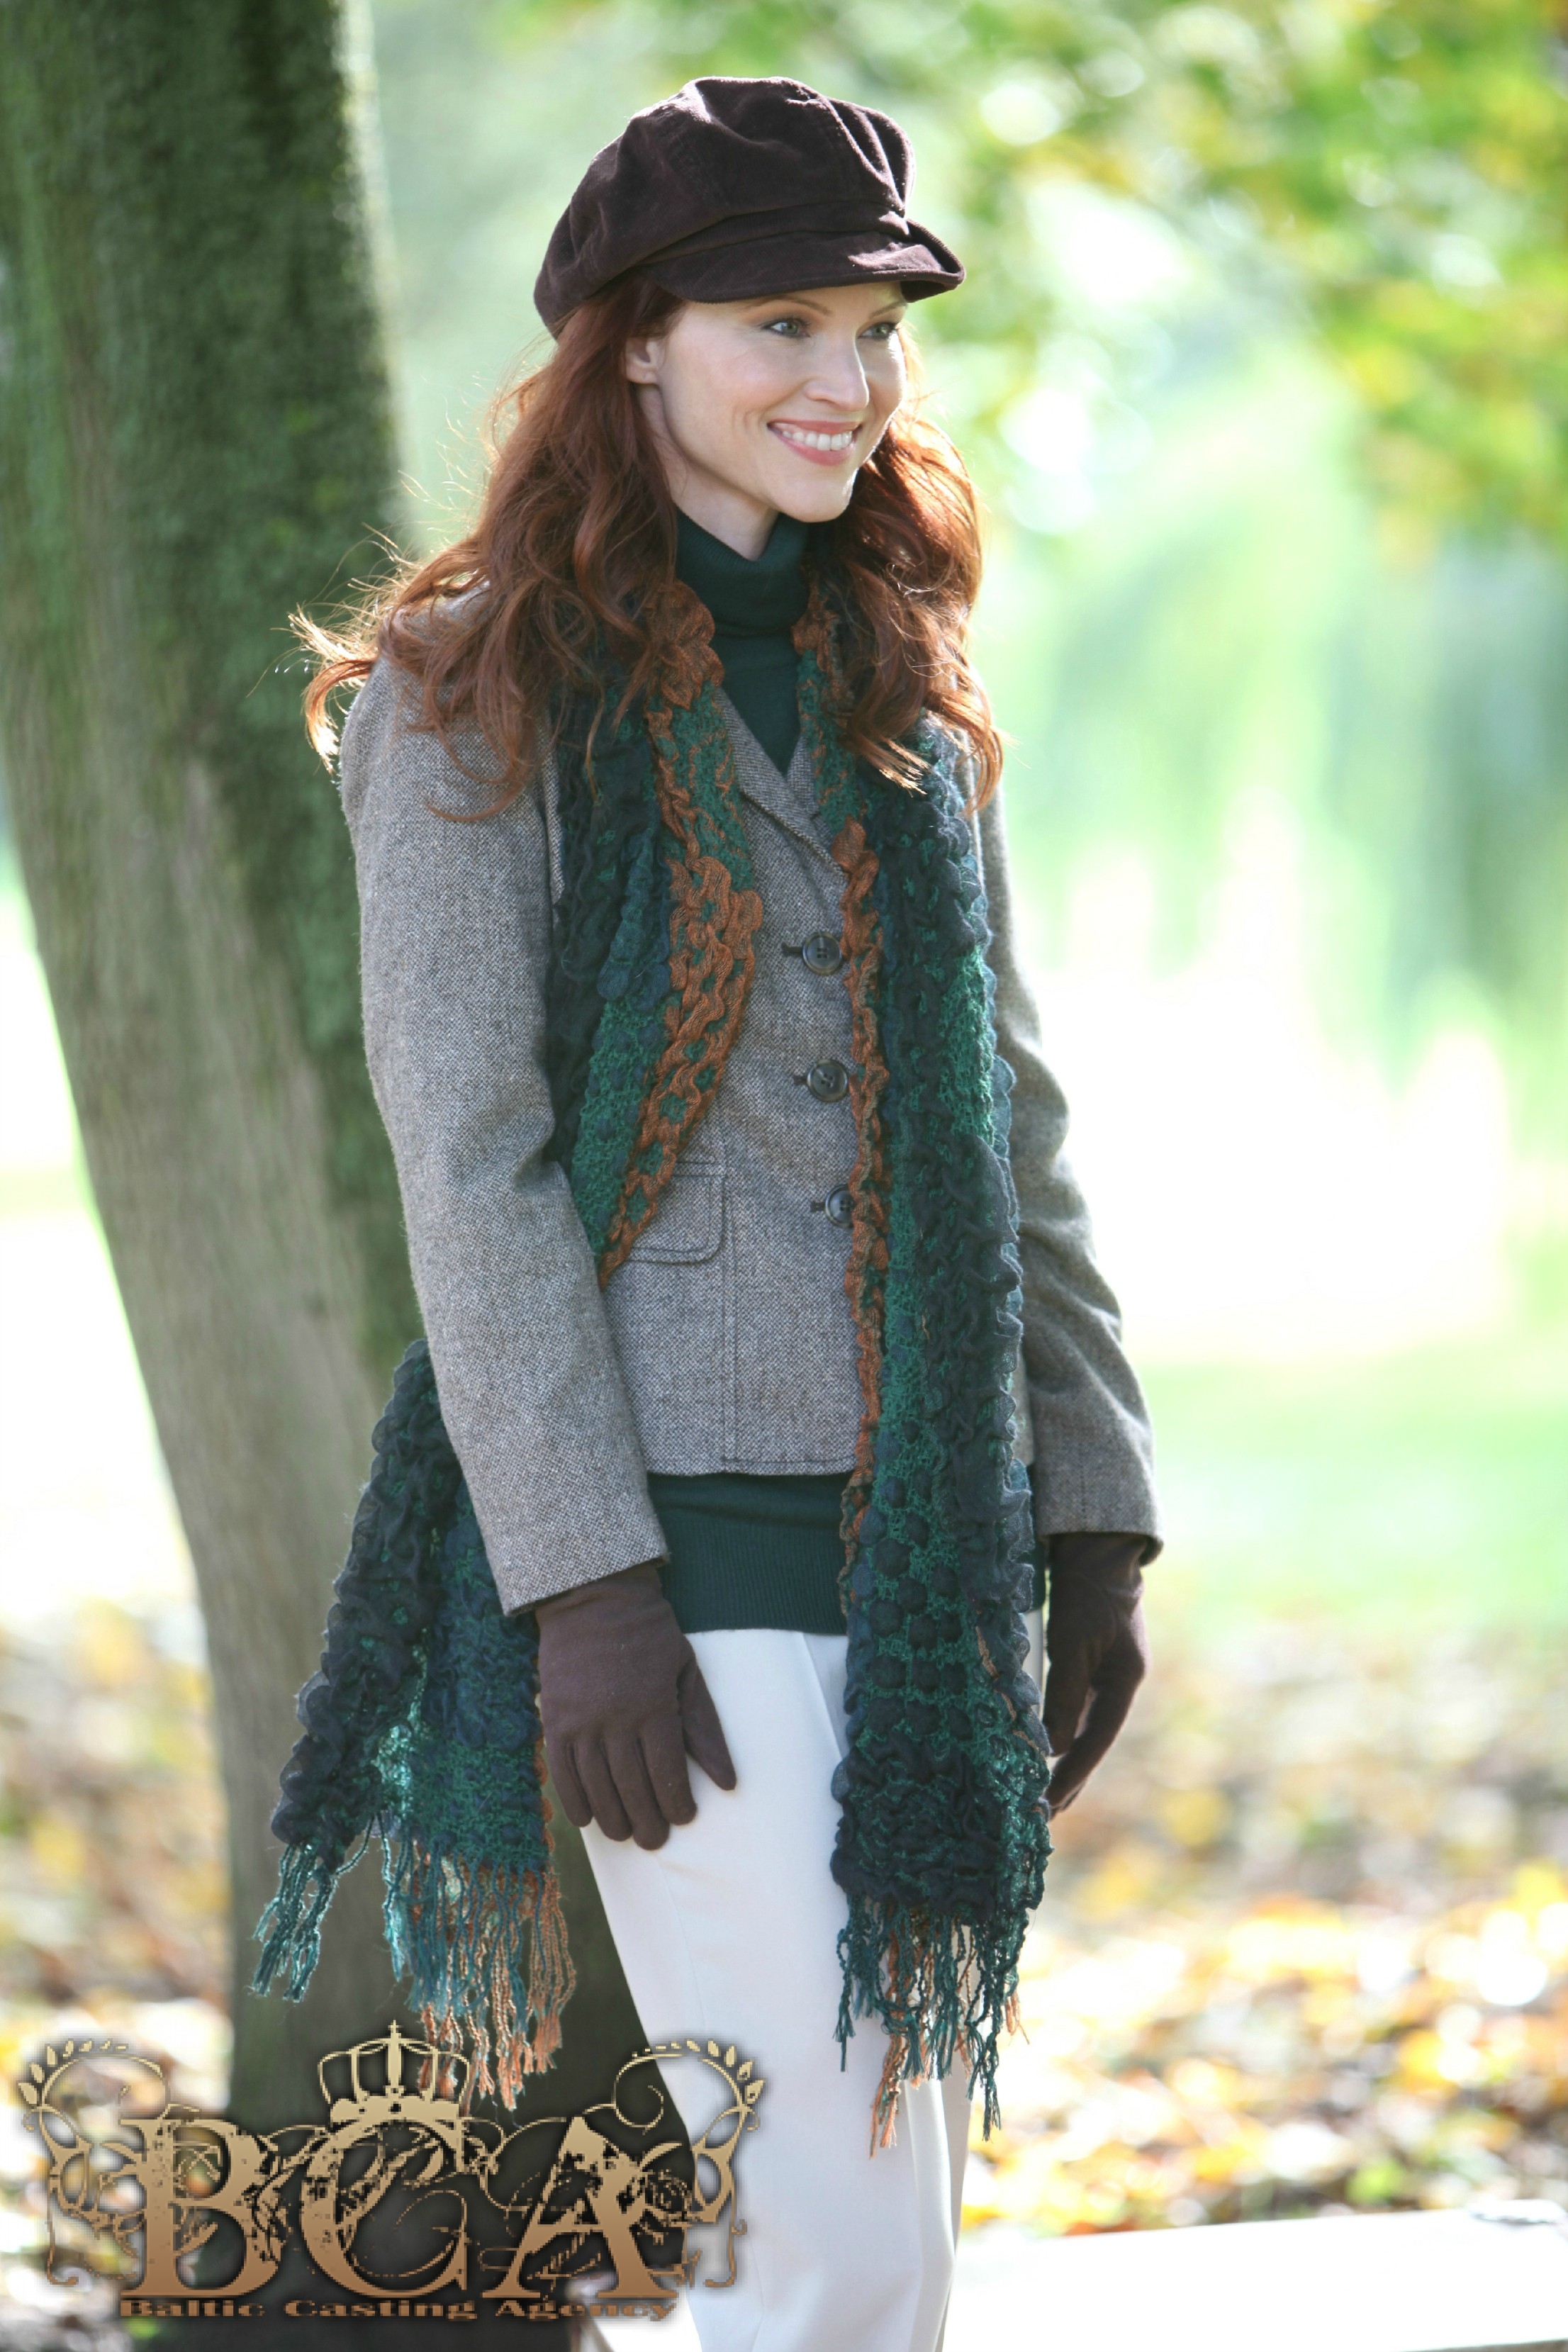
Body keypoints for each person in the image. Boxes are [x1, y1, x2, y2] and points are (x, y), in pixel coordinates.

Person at [299, 74, 1160, 2352]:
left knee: (880, 2222)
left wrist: (1094, 1514)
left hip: (931, 1538)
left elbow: (1010, 1119)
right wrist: (581, 1585)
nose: (843, 384)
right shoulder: (468, 691)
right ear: (635, 346)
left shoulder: (903, 684)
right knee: (829, 2226)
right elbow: (469, 1162)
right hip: (671, 1561)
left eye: (872, 334)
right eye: (781, 325)